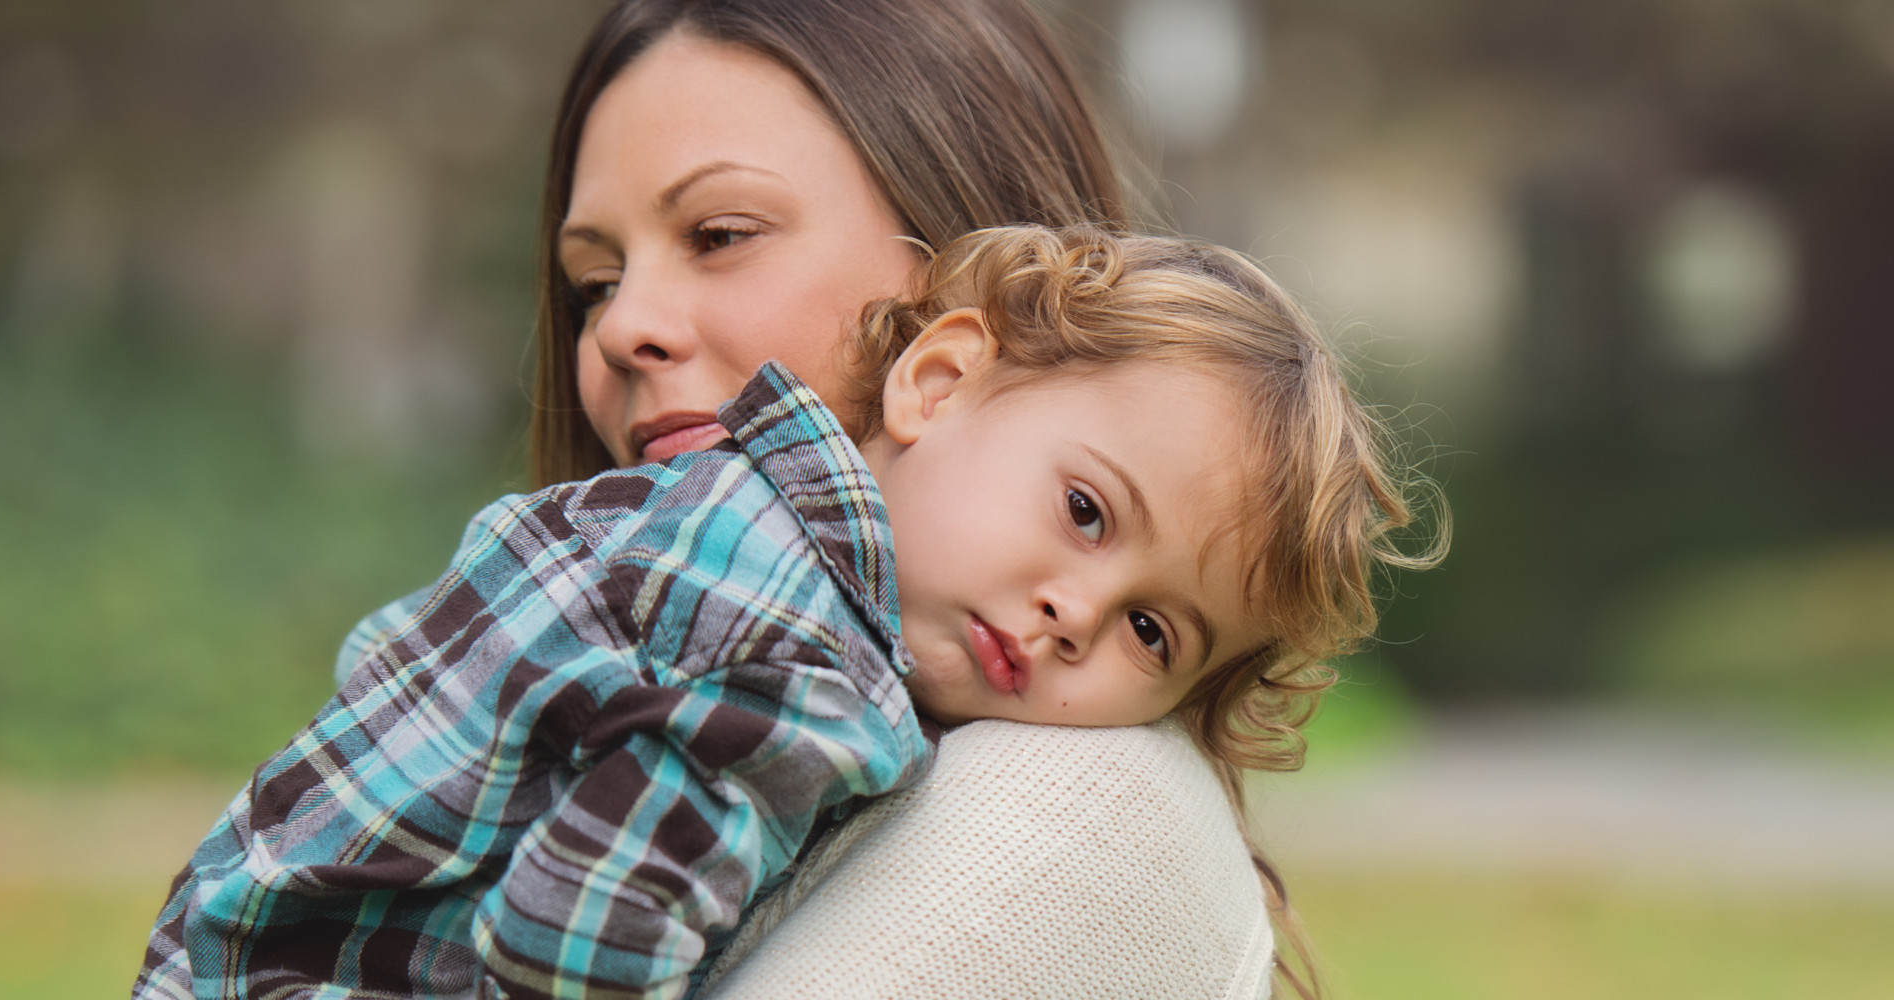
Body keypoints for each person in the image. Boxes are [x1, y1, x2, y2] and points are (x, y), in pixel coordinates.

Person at [135, 224, 1430, 1000]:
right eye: (1087, 512)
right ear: (937, 379)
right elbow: (576, 939)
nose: (1071, 614)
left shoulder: (710, 503)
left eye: (1155, 633)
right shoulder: (800, 662)